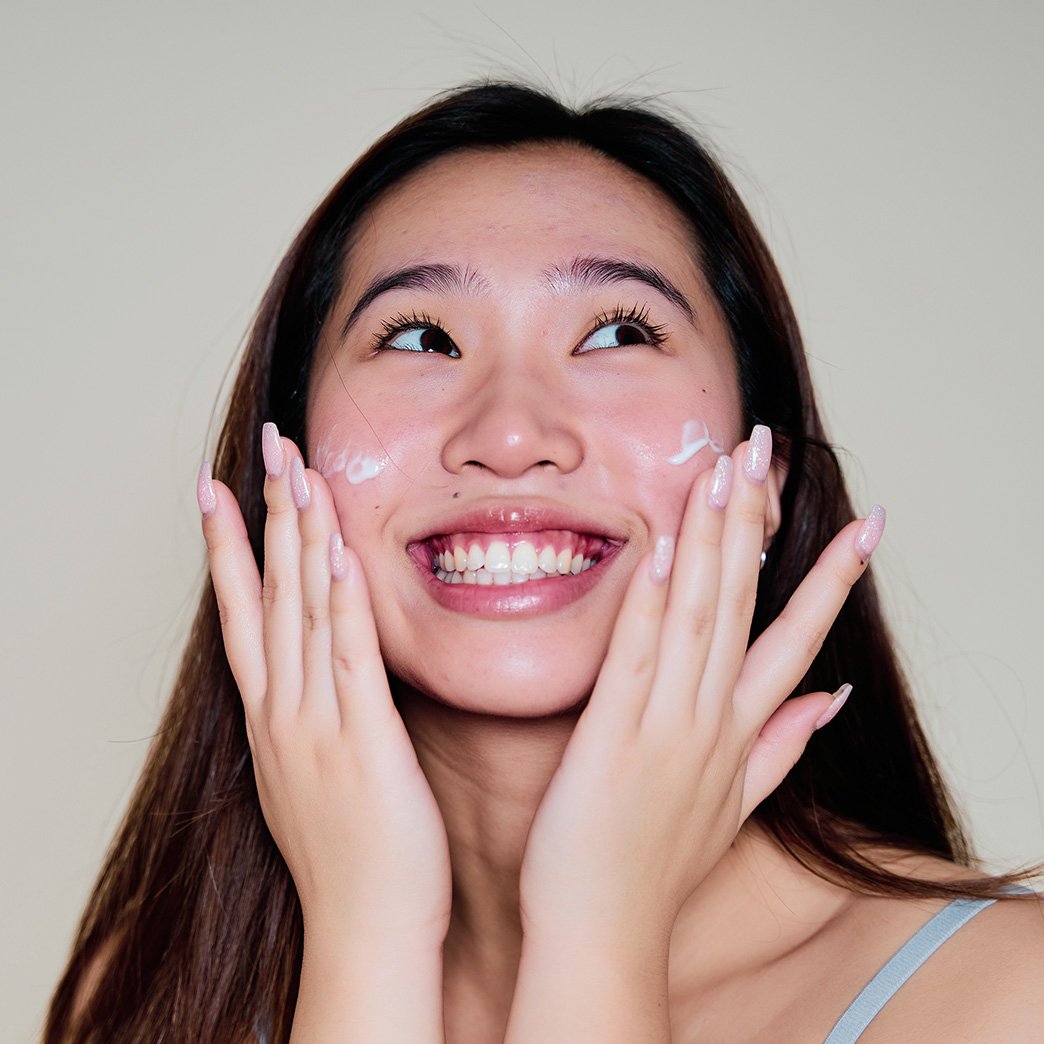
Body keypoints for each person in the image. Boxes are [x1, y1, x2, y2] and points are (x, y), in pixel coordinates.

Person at [46, 82, 1043, 1043]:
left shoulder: (1005, 997)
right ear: (285, 457)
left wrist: (598, 928)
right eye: (422, 338)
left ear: (766, 475)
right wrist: (369, 936)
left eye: (618, 332)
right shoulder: (148, 999)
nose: (513, 434)